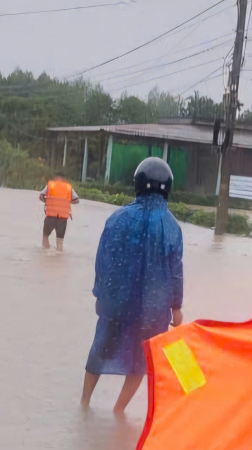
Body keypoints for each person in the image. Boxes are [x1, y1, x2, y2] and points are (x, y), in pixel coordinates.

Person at [81, 157, 184, 415]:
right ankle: (118, 411)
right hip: (154, 310)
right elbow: (175, 272)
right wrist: (177, 307)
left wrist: (99, 294)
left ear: (137, 183)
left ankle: (83, 405)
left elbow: (103, 260)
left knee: (100, 349)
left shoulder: (118, 218)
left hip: (117, 302)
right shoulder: (172, 227)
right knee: (141, 360)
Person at [39, 173, 79, 251]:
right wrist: (66, 203)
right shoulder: (69, 187)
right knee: (60, 242)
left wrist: (47, 202)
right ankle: (59, 256)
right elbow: (76, 200)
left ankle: (45, 253)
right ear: (65, 179)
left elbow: (41, 196)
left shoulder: (51, 185)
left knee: (45, 236)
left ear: (56, 177)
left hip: (50, 216)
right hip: (62, 218)